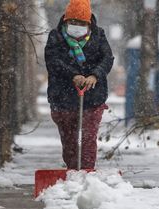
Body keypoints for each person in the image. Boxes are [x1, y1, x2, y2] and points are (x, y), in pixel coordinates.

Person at [45, 0, 114, 169]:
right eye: (73, 22)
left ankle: (88, 171)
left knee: (89, 138)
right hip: (63, 98)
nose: (77, 26)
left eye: (82, 23)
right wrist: (73, 75)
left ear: (89, 23)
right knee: (69, 140)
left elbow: (107, 59)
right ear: (66, 21)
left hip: (92, 98)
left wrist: (95, 75)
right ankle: (72, 171)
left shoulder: (99, 36)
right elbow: (53, 61)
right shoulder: (56, 36)